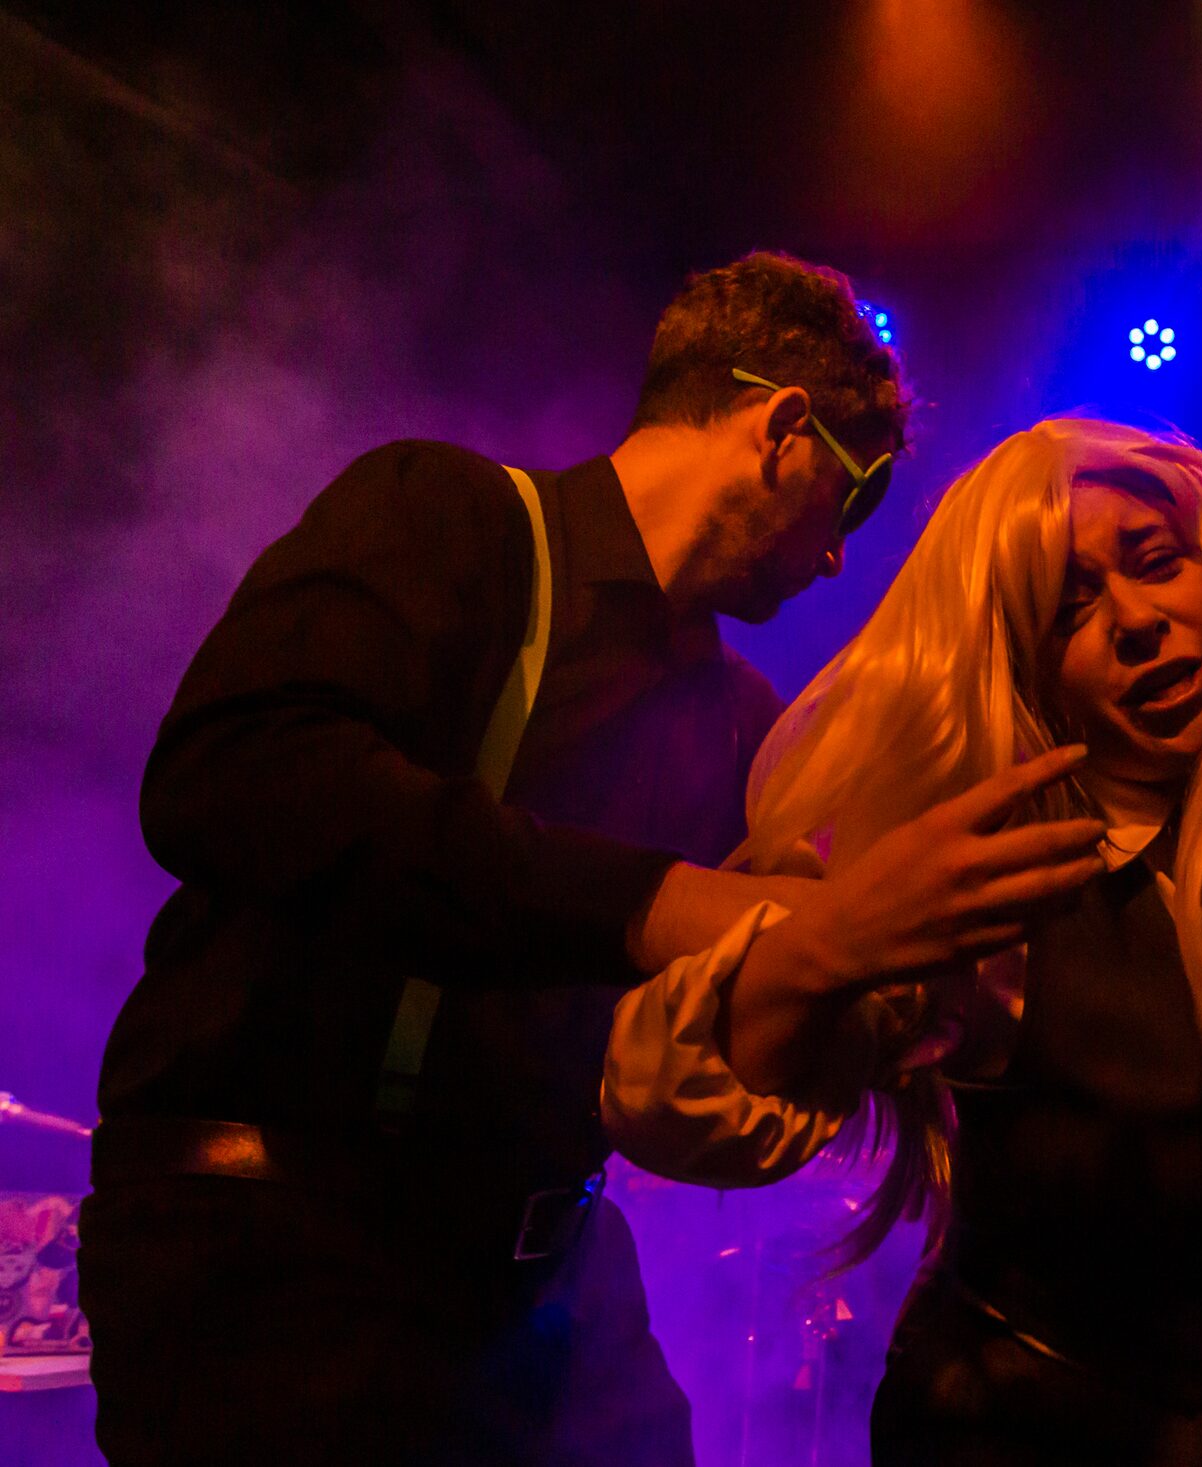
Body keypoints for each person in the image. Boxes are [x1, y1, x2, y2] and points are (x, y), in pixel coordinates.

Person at [79, 252, 1095, 1467]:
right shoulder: (446, 514)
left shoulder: (740, 719)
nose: (839, 556)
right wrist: (666, 903)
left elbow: (752, 994)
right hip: (278, 1247)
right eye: (858, 494)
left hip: (544, 1277)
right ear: (782, 428)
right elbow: (236, 777)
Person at [601, 419, 1202, 1465]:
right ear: (1022, 662)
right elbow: (668, 1102)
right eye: (1067, 609)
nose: (1136, 620)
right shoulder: (989, 881)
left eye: (1157, 561)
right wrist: (829, 944)